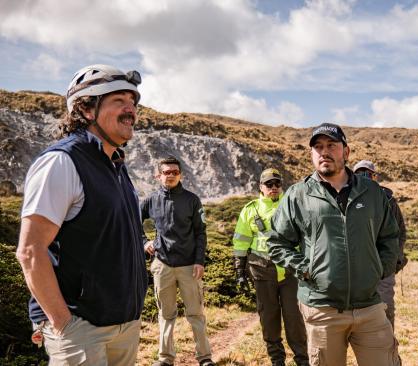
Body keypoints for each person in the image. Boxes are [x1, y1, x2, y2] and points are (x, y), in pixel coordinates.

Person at [15, 64, 147, 365]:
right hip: (81, 329)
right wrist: (63, 322)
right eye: (119, 101)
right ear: (86, 109)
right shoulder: (62, 162)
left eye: (133, 102)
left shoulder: (116, 166)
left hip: (124, 324)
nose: (131, 110)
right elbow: (30, 250)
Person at [267, 122, 401, 366]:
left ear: (346, 152)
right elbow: (277, 243)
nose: (324, 152)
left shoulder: (372, 192)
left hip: (370, 306)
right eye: (318, 147)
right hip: (322, 308)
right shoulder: (298, 195)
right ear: (311, 154)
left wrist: (379, 271)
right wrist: (306, 269)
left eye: (331, 145)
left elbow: (390, 237)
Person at [141, 156, 214, 366]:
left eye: (174, 172)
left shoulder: (192, 200)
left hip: (190, 266)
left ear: (180, 175)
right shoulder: (151, 200)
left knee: (196, 314)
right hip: (162, 265)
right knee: (166, 314)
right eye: (166, 172)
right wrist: (143, 241)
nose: (171, 175)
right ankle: (165, 359)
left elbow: (201, 233)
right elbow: (132, 221)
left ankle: (205, 357)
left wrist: (199, 261)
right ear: (158, 175)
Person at [232, 168, 308, 366]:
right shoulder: (250, 210)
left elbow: (306, 237)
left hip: (291, 272)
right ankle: (277, 361)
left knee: (295, 319)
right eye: (269, 184)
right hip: (262, 272)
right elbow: (241, 242)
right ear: (261, 187)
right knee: (269, 318)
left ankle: (303, 360)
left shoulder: (292, 205)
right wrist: (240, 271)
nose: (273, 188)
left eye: (277, 184)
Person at [353, 160, 408, 328]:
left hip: (384, 268)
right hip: (357, 270)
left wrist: (394, 261)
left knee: (385, 309)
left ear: (375, 177)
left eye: (367, 174)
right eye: (359, 174)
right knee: (357, 313)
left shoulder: (388, 200)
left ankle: (389, 351)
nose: (364, 178)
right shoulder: (347, 199)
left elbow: (400, 232)